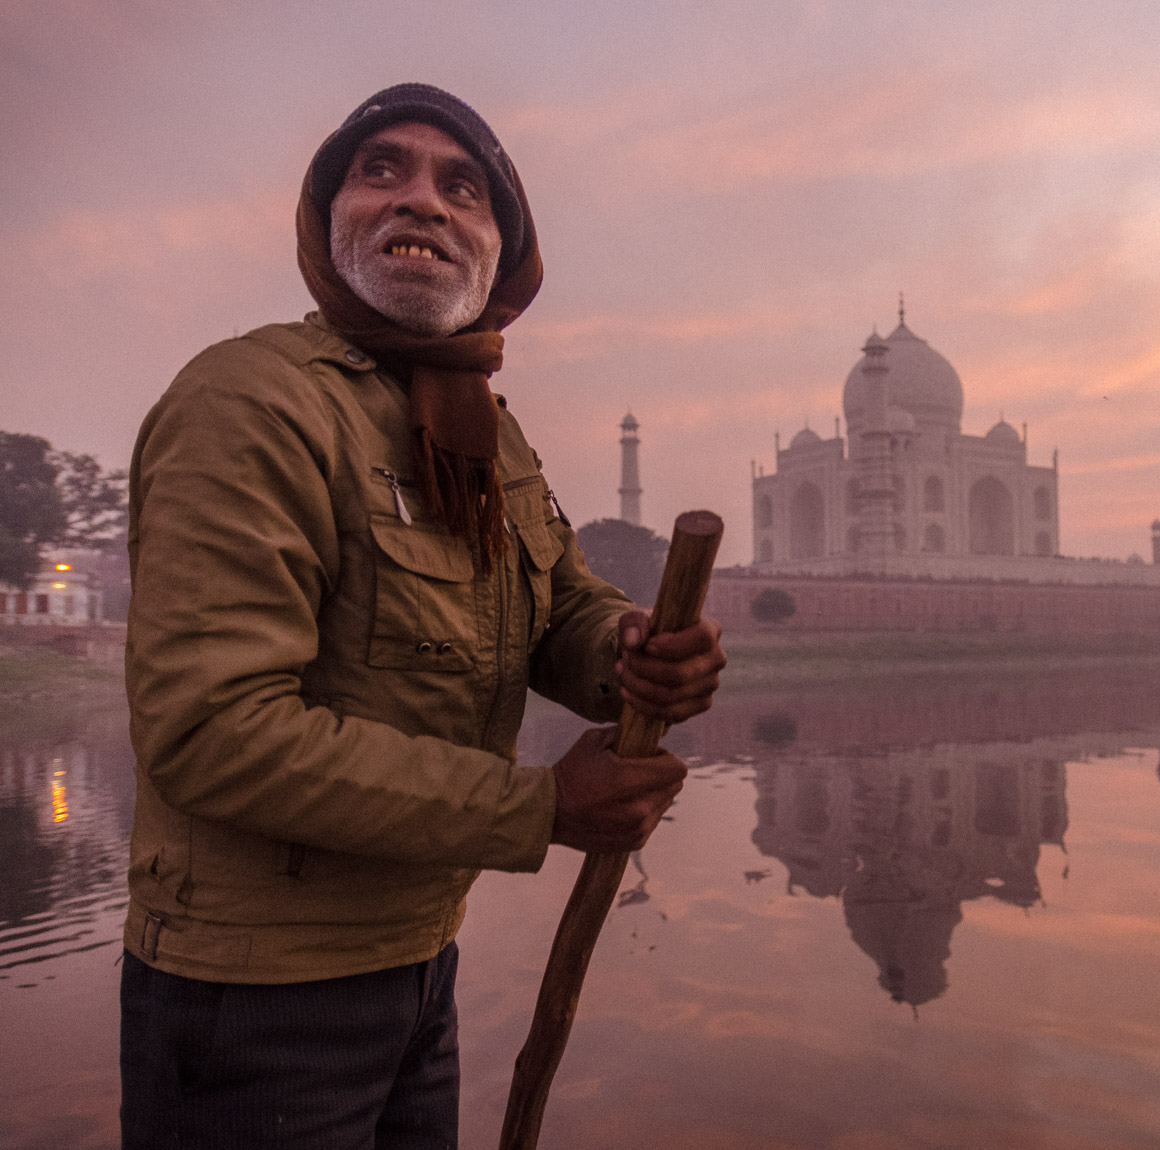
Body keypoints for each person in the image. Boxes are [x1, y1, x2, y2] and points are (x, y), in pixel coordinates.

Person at [118, 83, 725, 1149]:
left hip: (416, 957)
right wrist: (539, 807)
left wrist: (631, 653)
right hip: (255, 998)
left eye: (464, 187)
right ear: (327, 220)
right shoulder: (254, 402)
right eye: (381, 171)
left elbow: (555, 609)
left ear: (504, 254)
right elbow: (212, 731)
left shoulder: (481, 428)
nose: (425, 204)